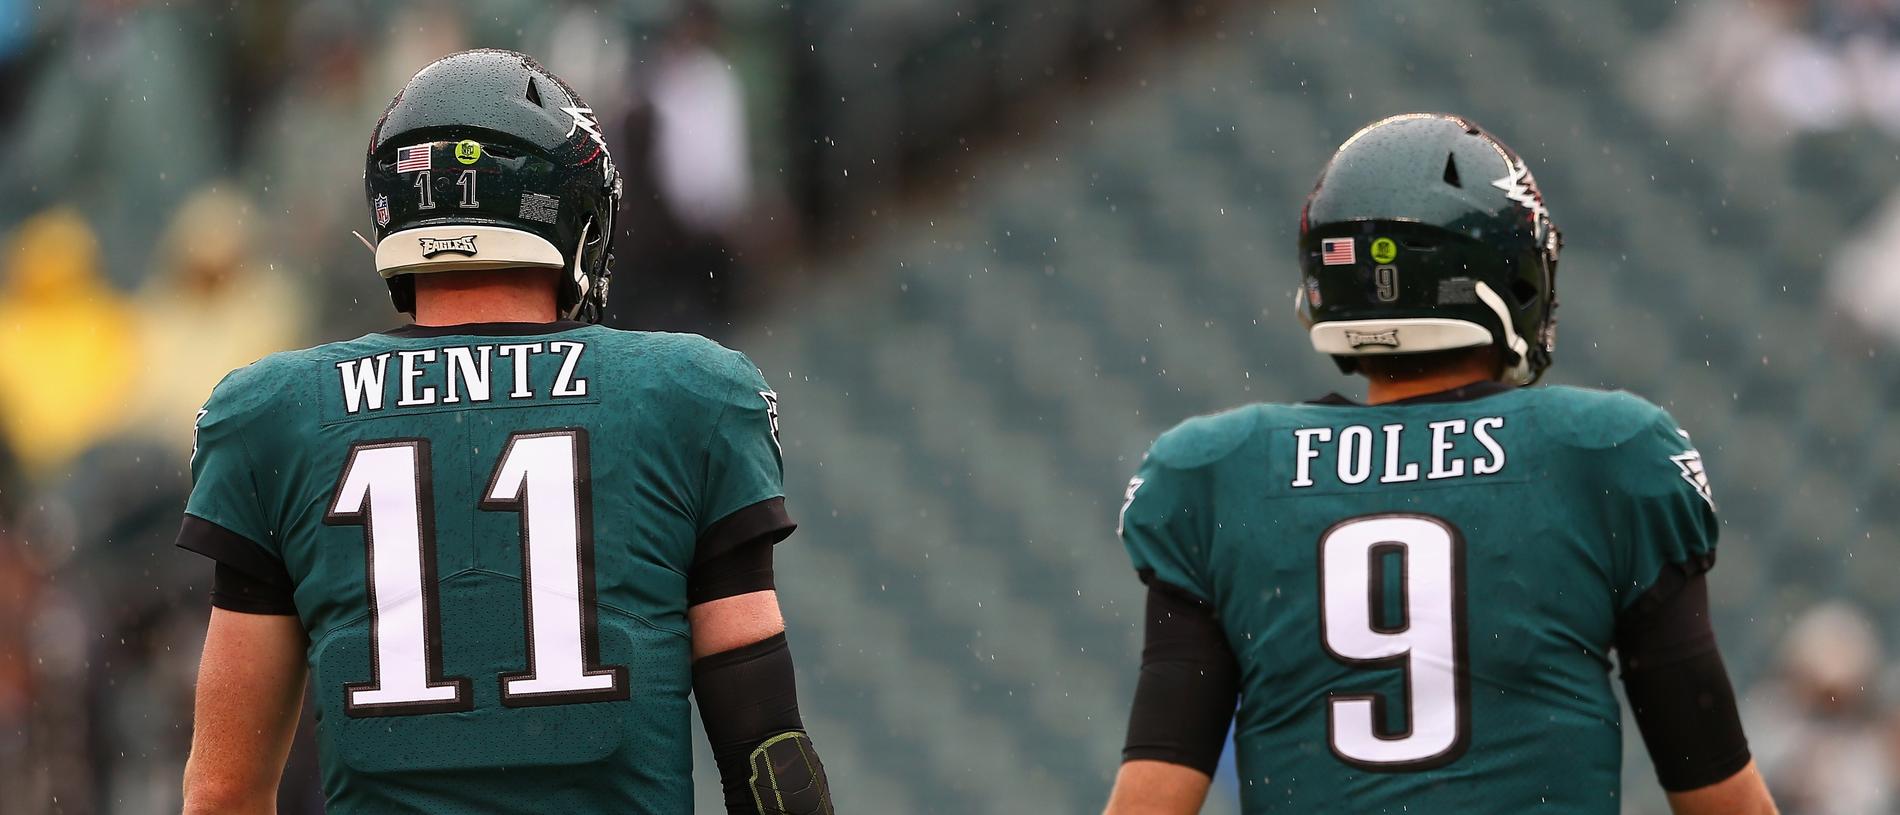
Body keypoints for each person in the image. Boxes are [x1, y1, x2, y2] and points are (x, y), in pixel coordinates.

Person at [175, 50, 833, 815]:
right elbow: (769, 759)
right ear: (570, 211)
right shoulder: (684, 395)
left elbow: (223, 791)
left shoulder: (278, 416)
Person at [1101, 114, 1777, 815]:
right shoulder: (1603, 452)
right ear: (1503, 273)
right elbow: (1719, 794)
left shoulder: (1219, 474)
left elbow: (1150, 803)